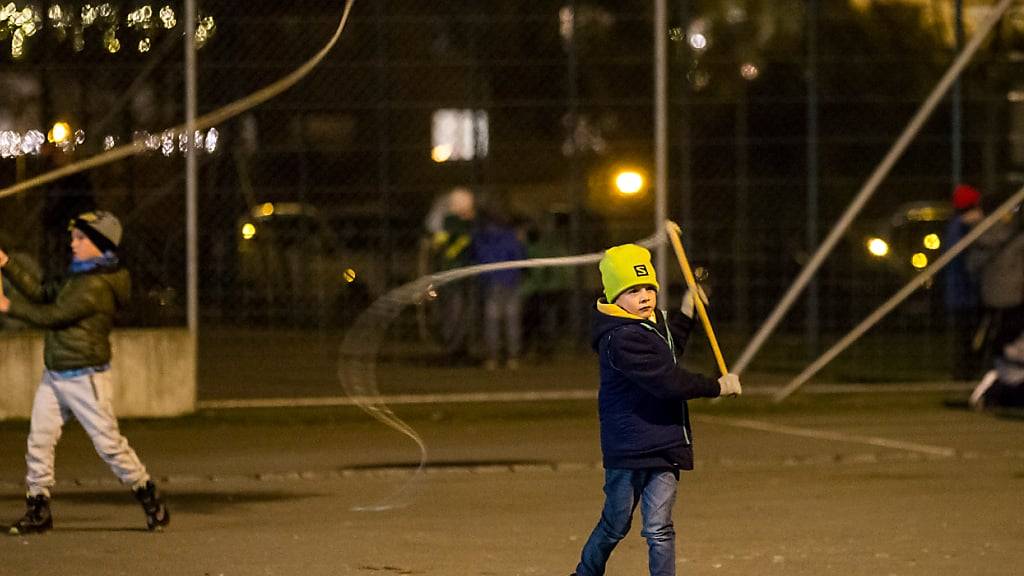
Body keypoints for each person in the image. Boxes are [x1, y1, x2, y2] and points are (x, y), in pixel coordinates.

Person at [570, 244, 742, 576]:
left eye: (649, 287)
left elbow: (669, 349)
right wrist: (717, 386)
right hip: (630, 447)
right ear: (614, 296)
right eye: (633, 290)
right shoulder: (620, 338)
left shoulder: (651, 323)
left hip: (664, 444)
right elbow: (668, 380)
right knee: (615, 525)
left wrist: (687, 312)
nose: (645, 296)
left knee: (659, 529)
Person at [0, 211, 170, 534]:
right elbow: (40, 292)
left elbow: (53, 316)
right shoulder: (79, 274)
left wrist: (7, 307)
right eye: (74, 237)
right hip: (56, 373)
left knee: (109, 445)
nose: (73, 243)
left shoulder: (96, 285)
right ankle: (38, 508)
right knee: (39, 439)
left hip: (85, 378)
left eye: (81, 238)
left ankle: (149, 498)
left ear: (100, 245)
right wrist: (7, 262)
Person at [967, 208, 1024, 411]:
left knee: (998, 342)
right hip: (1011, 298)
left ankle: (997, 378)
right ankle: (998, 382)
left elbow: (972, 266)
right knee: (1007, 343)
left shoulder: (984, 232)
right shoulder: (1015, 235)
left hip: (993, 296)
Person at [472, 208, 526, 370]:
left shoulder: (481, 238)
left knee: (492, 321)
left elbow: (478, 258)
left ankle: (492, 357)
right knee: (512, 319)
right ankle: (512, 357)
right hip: (511, 282)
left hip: (491, 283)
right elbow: (520, 256)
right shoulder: (511, 236)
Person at [942, 184, 985, 380]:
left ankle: (965, 371)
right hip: (964, 293)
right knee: (965, 336)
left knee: (965, 336)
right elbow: (967, 261)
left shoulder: (956, 227)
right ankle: (964, 372)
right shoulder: (961, 227)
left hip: (961, 293)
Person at [430, 187, 478, 363]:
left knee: (460, 312)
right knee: (455, 311)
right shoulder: (452, 223)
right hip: (455, 275)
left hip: (461, 274)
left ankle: (458, 347)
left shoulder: (465, 224)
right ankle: (453, 348)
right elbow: (446, 248)